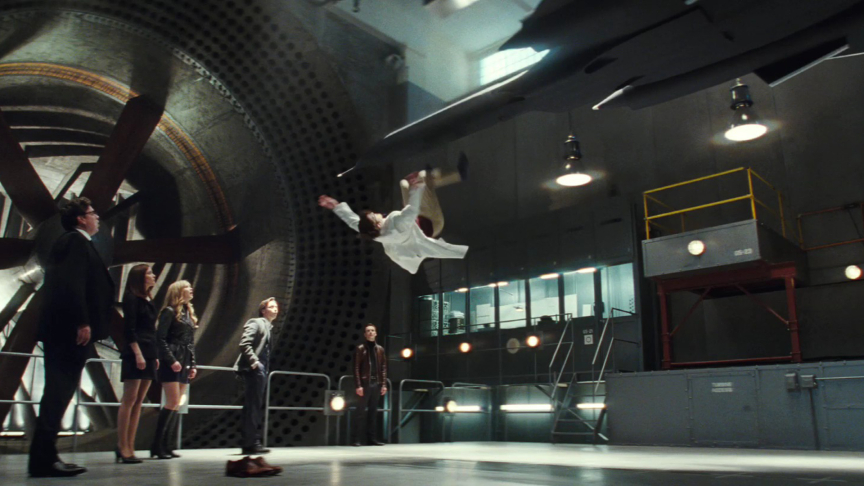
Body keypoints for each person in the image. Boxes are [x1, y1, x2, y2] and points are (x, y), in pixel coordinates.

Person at [28, 197, 114, 477]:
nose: (97, 217)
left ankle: (46, 457)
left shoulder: (73, 243)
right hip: (68, 331)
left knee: (59, 392)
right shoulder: (75, 242)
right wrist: (82, 321)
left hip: (64, 330)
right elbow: (71, 284)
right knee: (58, 392)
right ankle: (43, 460)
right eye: (93, 213)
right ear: (81, 219)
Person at [318, 168, 469, 274]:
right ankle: (458, 173)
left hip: (416, 222)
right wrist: (416, 188)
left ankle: (432, 178)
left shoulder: (376, 234)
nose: (376, 213)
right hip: (432, 222)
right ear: (378, 224)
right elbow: (412, 210)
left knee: (404, 183)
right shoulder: (397, 224)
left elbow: (354, 222)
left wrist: (335, 206)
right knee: (421, 177)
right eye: (374, 216)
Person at [115, 264, 158, 464]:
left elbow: (151, 330)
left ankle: (130, 445)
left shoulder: (148, 299)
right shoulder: (131, 298)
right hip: (136, 352)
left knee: (139, 401)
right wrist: (138, 354)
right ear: (140, 277)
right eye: (149, 273)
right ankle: (122, 445)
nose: (153, 275)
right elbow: (129, 329)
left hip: (148, 351)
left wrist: (154, 355)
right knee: (129, 399)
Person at [150, 280, 198, 459]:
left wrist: (193, 364)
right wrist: (171, 360)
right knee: (172, 402)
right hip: (172, 360)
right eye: (187, 287)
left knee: (177, 403)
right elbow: (160, 338)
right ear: (178, 291)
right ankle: (157, 445)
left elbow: (190, 342)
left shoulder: (187, 313)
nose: (191, 289)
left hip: (184, 360)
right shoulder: (169, 312)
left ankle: (166, 445)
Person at [233, 297, 279, 455]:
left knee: (255, 405)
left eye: (276, 307)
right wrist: (255, 362)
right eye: (271, 306)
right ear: (263, 310)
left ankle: (251, 441)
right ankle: (251, 442)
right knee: (253, 406)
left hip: (261, 370)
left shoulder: (268, 327)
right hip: (255, 369)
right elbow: (244, 344)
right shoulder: (256, 322)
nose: (275, 309)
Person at [352, 323, 387, 446]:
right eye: (368, 331)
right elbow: (356, 368)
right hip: (365, 384)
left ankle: (371, 439)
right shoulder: (360, 348)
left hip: (376, 384)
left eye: (372, 330)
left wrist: (383, 384)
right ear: (365, 334)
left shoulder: (380, 349)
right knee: (360, 412)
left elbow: (383, 368)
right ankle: (356, 439)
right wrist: (358, 385)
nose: (371, 332)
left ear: (376, 333)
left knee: (373, 412)